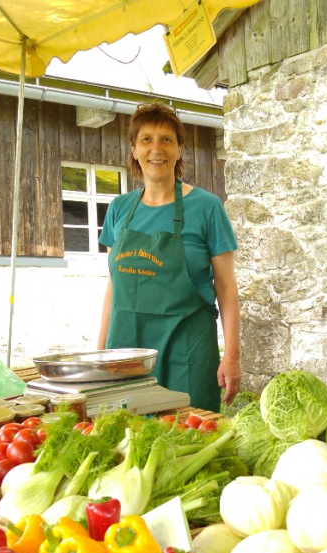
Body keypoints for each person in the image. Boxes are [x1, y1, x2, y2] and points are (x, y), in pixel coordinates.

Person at [97, 103, 241, 412]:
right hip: (127, 356)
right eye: (146, 139)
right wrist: (99, 356)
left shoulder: (207, 207)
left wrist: (231, 356)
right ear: (134, 150)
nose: (156, 148)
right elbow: (113, 288)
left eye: (166, 139)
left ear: (179, 150)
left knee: (190, 442)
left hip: (186, 354)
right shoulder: (119, 209)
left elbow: (226, 288)